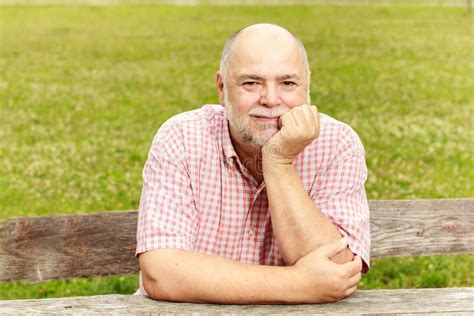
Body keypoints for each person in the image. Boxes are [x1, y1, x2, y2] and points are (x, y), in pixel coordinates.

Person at [134, 23, 370, 304]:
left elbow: (338, 269)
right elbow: (161, 273)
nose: (270, 99)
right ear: (222, 88)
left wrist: (279, 162)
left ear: (307, 86)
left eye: (288, 83)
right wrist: (297, 284)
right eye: (251, 83)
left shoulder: (338, 143)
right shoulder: (182, 137)